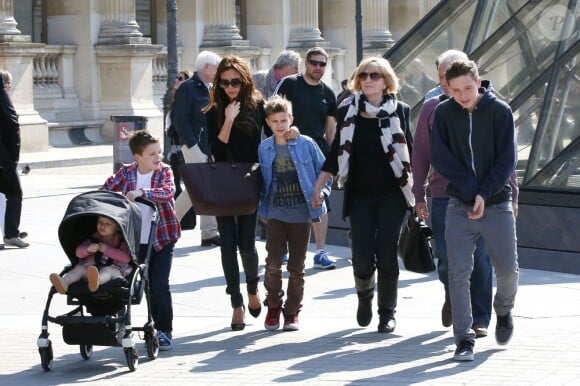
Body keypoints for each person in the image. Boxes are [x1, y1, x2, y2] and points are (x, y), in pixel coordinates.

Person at [312, 57, 414, 333]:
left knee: (387, 256)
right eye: (364, 75)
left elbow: (410, 154)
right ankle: (364, 297)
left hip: (393, 195)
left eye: (375, 75)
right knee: (362, 257)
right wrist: (319, 186)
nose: (368, 79)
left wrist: (420, 195)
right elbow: (335, 154)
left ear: (386, 81)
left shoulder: (400, 110)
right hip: (359, 195)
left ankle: (387, 313)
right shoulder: (348, 111)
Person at [431, 59, 519, 362]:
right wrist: (471, 192)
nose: (463, 95)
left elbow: (507, 160)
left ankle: (504, 309)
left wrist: (484, 193)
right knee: (458, 273)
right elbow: (441, 159)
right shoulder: (443, 113)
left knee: (508, 272)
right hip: (458, 205)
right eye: (455, 90)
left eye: (468, 88)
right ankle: (464, 339)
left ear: (478, 81)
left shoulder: (500, 111)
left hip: (496, 205)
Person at [413, 49, 494, 338]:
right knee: (447, 260)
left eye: (453, 75)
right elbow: (420, 153)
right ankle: (453, 297)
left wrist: (512, 194)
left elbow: (504, 155)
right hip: (442, 194)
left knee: (480, 257)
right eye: (443, 76)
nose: (448, 81)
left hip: (481, 194)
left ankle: (480, 317)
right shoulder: (431, 108)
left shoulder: (489, 108)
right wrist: (418, 194)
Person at [101, 130, 180, 351]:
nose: (158, 157)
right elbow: (105, 190)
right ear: (138, 157)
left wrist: (141, 193)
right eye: (152, 153)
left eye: (159, 152)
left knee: (159, 284)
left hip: (162, 238)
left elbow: (168, 192)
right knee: (131, 285)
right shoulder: (126, 174)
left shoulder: (165, 172)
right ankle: (119, 325)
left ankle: (164, 329)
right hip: (134, 241)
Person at [259, 95, 332, 331]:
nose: (280, 125)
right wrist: (262, 208)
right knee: (272, 264)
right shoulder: (265, 147)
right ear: (268, 123)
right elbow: (263, 181)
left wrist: (322, 193)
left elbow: (326, 169)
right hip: (275, 212)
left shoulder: (306, 144)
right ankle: (273, 307)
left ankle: (291, 312)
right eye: (275, 121)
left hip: (302, 213)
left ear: (291, 119)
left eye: (284, 120)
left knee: (297, 267)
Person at [204, 55, 266, 331]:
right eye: (225, 82)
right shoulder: (213, 111)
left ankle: (253, 289)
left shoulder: (259, 107)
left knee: (247, 244)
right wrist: (228, 118)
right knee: (227, 245)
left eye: (235, 82)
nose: (230, 87)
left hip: (250, 180)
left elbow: (272, 137)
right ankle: (236, 303)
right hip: (222, 183)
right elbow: (216, 151)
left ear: (245, 81)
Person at [275, 47, 337, 270]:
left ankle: (320, 251)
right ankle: (283, 249)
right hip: (287, 148)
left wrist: (334, 160)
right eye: (314, 62)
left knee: (319, 200)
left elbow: (331, 130)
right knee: (287, 199)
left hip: (316, 153)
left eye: (322, 64)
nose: (317, 67)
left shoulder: (328, 93)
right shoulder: (289, 84)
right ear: (305, 62)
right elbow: (273, 114)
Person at [173, 51, 221, 247]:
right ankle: (165, 223)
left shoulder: (213, 88)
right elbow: (180, 119)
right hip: (194, 145)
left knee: (206, 186)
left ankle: (209, 232)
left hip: (209, 146)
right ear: (207, 67)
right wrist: (191, 144)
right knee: (196, 187)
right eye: (217, 67)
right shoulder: (188, 88)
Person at [253, 49, 301, 245]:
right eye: (295, 68)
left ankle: (273, 230)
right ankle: (265, 226)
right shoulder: (259, 79)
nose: (298, 71)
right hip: (261, 142)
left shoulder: (292, 84)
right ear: (283, 67)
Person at [49, 216, 132, 294]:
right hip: (91, 270)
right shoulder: (93, 238)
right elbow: (78, 253)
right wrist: (88, 249)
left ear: (118, 227)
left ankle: (97, 281)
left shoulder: (121, 241)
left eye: (108, 224)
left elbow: (126, 258)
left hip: (114, 270)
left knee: (108, 271)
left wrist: (106, 250)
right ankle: (65, 282)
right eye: (100, 222)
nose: (102, 226)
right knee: (79, 268)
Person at [165, 70, 197, 230]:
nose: (176, 80)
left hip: (184, 149)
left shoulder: (186, 101)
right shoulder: (174, 101)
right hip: (174, 150)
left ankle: (182, 220)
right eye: (177, 78)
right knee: (176, 185)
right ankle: (182, 220)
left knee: (191, 187)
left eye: (181, 78)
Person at [0, 70, 28, 248]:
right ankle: (11, 233)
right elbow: (12, 122)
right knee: (14, 193)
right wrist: (12, 156)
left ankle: (10, 232)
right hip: (3, 155)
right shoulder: (1, 94)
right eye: (8, 84)